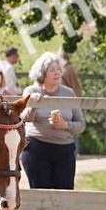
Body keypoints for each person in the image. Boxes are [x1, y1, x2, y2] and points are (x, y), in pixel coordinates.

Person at [19, 51, 85, 190]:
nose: (57, 72)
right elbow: (25, 118)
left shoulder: (69, 93)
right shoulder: (30, 90)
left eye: (58, 69)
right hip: (36, 148)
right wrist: (34, 105)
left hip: (64, 149)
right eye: (52, 70)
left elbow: (81, 124)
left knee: (64, 193)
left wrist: (65, 125)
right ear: (42, 73)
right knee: (40, 193)